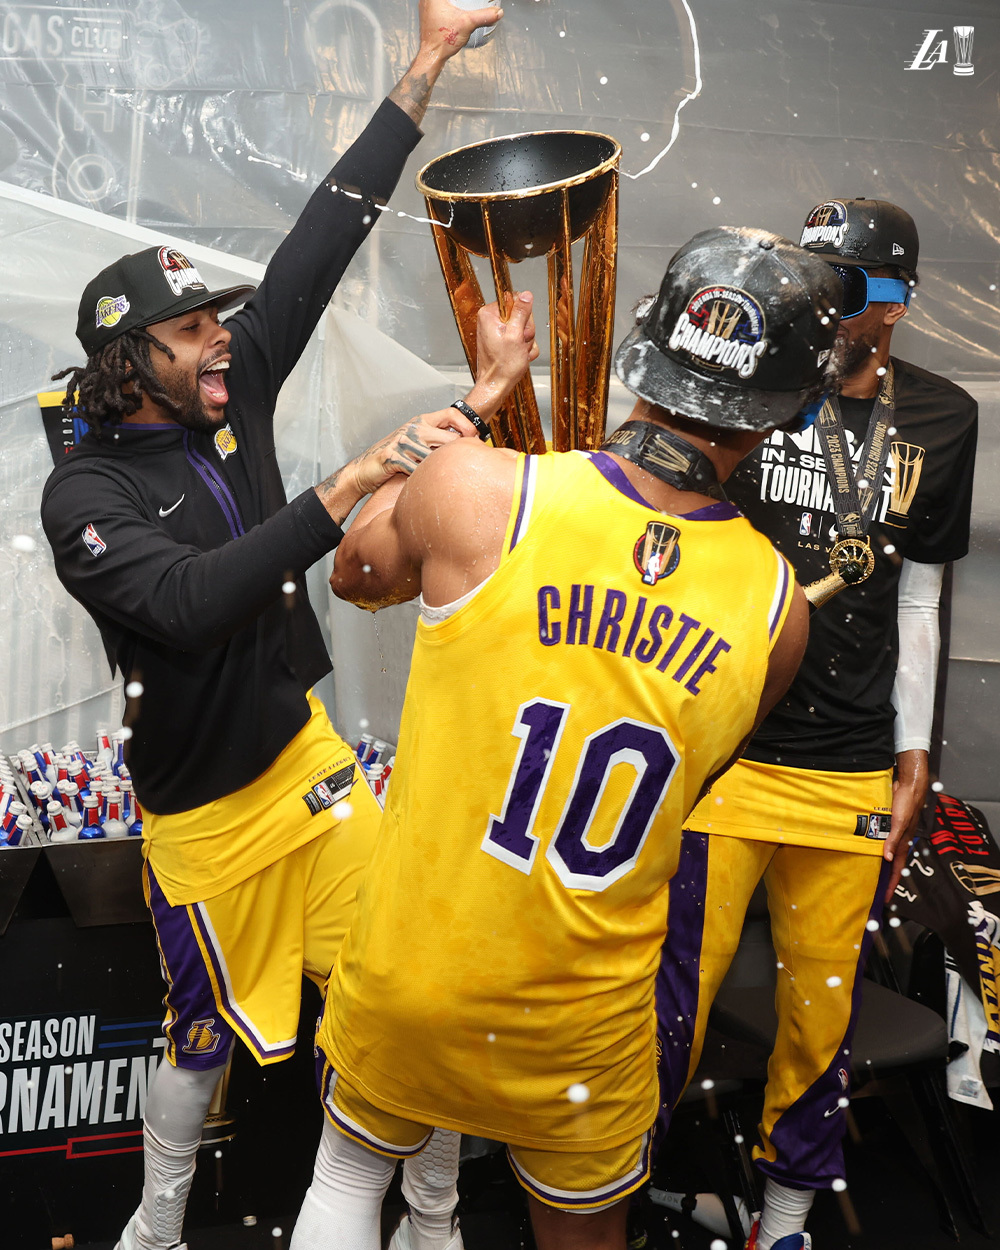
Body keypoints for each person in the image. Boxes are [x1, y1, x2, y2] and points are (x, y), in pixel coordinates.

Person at [38, 6, 514, 1250]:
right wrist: (345, 487)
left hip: (306, 765)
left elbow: (319, 239)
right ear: (123, 359)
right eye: (191, 331)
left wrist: (419, 69)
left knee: (399, 994)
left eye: (216, 326)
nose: (220, 346)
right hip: (200, 819)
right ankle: (155, 1225)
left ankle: (429, 1216)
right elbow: (192, 604)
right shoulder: (82, 493)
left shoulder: (229, 381)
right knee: (200, 1039)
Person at [287, 226, 847, 1250]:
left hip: (419, 974)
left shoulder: (482, 488)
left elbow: (354, 571)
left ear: (643, 352)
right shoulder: (778, 606)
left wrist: (474, 411)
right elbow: (694, 763)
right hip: (579, 1020)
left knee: (349, 1168)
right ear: (791, 410)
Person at [653, 199, 978, 1250]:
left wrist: (914, 752)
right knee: (666, 1005)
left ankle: (784, 1219)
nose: (829, 305)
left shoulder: (940, 418)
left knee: (818, 1016)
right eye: (815, 279)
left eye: (853, 287)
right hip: (726, 757)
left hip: (847, 767)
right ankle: (614, 1199)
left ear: (897, 301)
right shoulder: (750, 386)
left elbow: (921, 596)